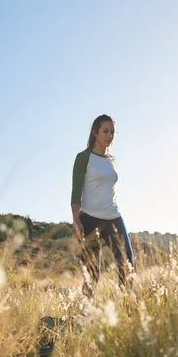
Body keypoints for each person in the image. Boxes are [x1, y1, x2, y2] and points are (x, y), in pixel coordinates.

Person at [71, 115, 135, 296]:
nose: (110, 136)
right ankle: (84, 316)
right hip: (89, 219)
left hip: (113, 217)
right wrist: (76, 219)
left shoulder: (112, 160)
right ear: (95, 133)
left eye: (112, 132)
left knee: (127, 264)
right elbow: (76, 191)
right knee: (92, 273)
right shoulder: (83, 158)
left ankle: (127, 310)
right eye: (105, 131)